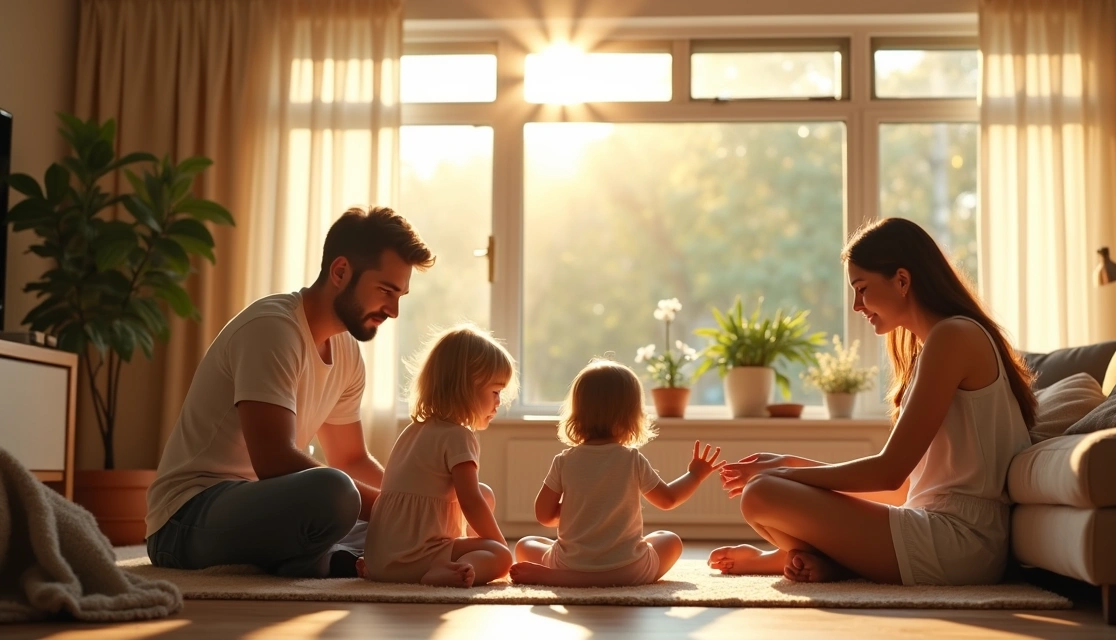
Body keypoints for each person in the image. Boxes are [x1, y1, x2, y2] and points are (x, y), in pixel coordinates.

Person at [709, 217, 1037, 586]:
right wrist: (788, 463)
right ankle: (828, 563)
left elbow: (887, 471)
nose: (855, 305)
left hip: (961, 542)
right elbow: (902, 487)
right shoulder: (935, 346)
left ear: (902, 280)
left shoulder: (955, 337)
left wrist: (781, 474)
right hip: (935, 525)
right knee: (760, 494)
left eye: (862, 288)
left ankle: (801, 558)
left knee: (762, 494)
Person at [145, 206, 435, 578]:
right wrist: (396, 514)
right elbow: (274, 461)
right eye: (385, 291)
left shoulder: (347, 351)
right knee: (336, 494)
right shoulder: (273, 329)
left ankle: (324, 558)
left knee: (387, 518)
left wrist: (421, 505)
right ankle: (329, 557)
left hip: (268, 510)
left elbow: (351, 458)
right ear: (341, 271)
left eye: (401, 296)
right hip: (188, 515)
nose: (393, 310)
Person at [509, 359, 727, 587]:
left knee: (526, 544)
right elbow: (668, 499)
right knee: (669, 540)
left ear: (577, 414)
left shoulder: (564, 461)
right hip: (629, 570)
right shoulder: (632, 459)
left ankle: (566, 577)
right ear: (631, 417)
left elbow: (544, 515)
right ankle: (600, 577)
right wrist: (695, 475)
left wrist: (577, 509)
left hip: (569, 564)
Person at [357, 324, 518, 587]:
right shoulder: (459, 436)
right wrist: (498, 543)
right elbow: (470, 501)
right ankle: (455, 569)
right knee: (500, 556)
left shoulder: (413, 432)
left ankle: (440, 562)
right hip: (418, 558)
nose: (499, 402)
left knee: (485, 491)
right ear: (466, 388)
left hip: (381, 560)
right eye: (495, 392)